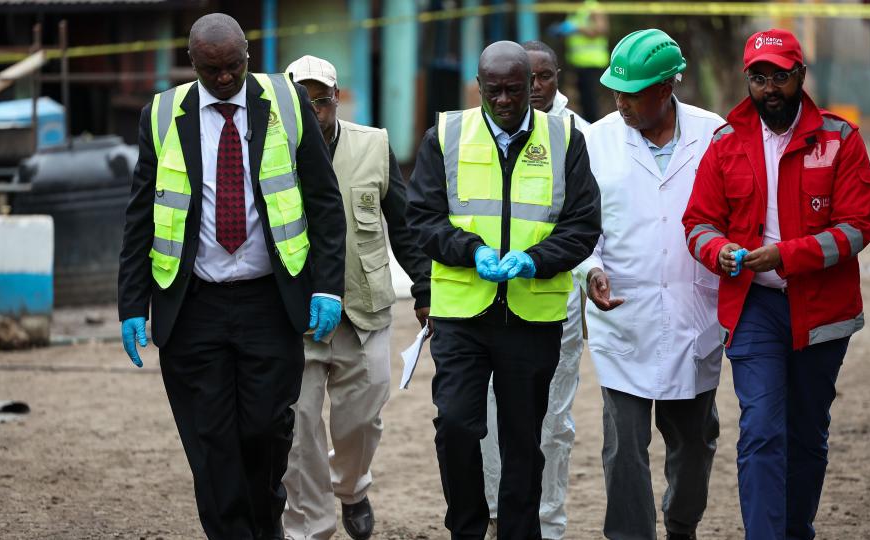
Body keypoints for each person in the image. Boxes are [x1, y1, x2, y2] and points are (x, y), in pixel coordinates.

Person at [117, 14, 346, 540]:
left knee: (264, 432)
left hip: (270, 301)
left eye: (234, 66)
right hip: (192, 306)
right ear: (192, 62)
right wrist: (132, 304)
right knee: (211, 440)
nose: (224, 78)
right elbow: (140, 216)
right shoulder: (162, 114)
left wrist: (328, 285)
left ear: (248, 54)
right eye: (211, 69)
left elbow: (324, 204)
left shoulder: (287, 104)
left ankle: (263, 525)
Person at [682, 28, 870, 540]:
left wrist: (786, 255)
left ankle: (796, 531)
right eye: (759, 77)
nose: (770, 88)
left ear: (801, 76)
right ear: (748, 78)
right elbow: (698, 222)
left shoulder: (840, 139)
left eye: (780, 77)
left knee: (807, 435)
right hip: (753, 306)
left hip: (822, 309)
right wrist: (717, 250)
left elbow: (858, 228)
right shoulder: (726, 142)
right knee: (762, 430)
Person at [406, 40, 601, 540]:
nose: (507, 100)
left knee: (523, 439)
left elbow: (582, 225)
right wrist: (470, 250)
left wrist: (534, 260)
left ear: (533, 84)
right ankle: (467, 529)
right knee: (455, 425)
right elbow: (421, 219)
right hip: (461, 313)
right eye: (494, 91)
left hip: (530, 314)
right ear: (479, 87)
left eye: (516, 89)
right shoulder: (446, 135)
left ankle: (519, 532)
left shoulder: (563, 140)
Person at [579, 29, 724, 540]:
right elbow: (578, 224)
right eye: (615, 91)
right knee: (622, 447)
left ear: (666, 88)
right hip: (621, 313)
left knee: (695, 440)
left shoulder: (715, 135)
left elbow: (733, 215)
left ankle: (681, 526)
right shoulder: (596, 140)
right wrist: (590, 269)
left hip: (696, 312)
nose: (620, 102)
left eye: (632, 92)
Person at [281, 55, 432, 540]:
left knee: (361, 420)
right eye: (301, 101)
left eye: (320, 100)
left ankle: (351, 488)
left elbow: (403, 225)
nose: (313, 110)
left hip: (363, 309)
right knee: (299, 430)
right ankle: (311, 528)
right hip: (295, 317)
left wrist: (425, 286)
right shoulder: (266, 153)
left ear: (336, 98)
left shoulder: (374, 145)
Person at [480, 39, 588, 540]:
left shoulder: (576, 136)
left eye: (545, 77)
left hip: (552, 304)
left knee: (551, 424)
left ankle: (548, 524)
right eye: (530, 77)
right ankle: (501, 515)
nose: (537, 87)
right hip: (482, 306)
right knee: (486, 421)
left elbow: (593, 226)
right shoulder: (474, 134)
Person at [549, 0, 609, 122]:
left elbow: (602, 29)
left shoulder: (593, 7)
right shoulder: (574, 10)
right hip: (578, 63)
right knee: (583, 101)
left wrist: (576, 28)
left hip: (593, 62)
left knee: (590, 101)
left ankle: (593, 127)